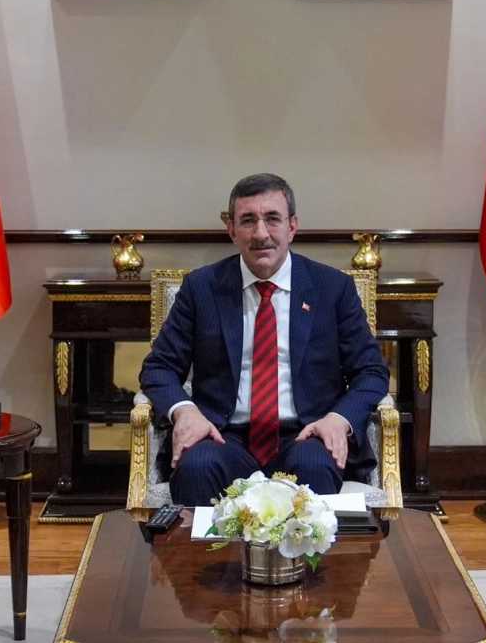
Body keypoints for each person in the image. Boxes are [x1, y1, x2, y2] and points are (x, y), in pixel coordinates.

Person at [140, 174, 390, 506]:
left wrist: (338, 420)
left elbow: (372, 371)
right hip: (222, 434)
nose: (261, 234)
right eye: (248, 221)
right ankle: (202, 545)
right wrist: (184, 411)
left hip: (306, 433)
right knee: (197, 466)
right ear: (232, 230)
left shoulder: (332, 288)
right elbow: (159, 367)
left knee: (315, 464)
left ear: (292, 226)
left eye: (272, 219)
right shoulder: (202, 288)